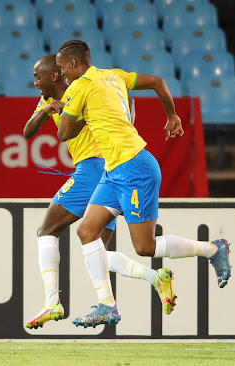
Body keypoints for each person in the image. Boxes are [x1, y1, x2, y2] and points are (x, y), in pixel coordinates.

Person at [55, 40, 232, 328]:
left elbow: (64, 132)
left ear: (74, 64)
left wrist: (67, 110)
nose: (63, 75)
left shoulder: (79, 87)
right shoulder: (114, 75)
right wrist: (171, 115)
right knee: (87, 231)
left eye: (63, 69)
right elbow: (159, 82)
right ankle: (107, 305)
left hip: (134, 168)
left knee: (145, 247)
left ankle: (213, 249)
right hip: (114, 170)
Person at [23, 54, 177, 330]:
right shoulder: (49, 100)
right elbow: (27, 131)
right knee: (96, 251)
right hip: (111, 173)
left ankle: (51, 302)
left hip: (94, 168)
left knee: (46, 230)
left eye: (38, 77)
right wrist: (47, 111)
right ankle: (154, 277)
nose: (35, 83)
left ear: (56, 75)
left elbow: (127, 103)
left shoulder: (82, 88)